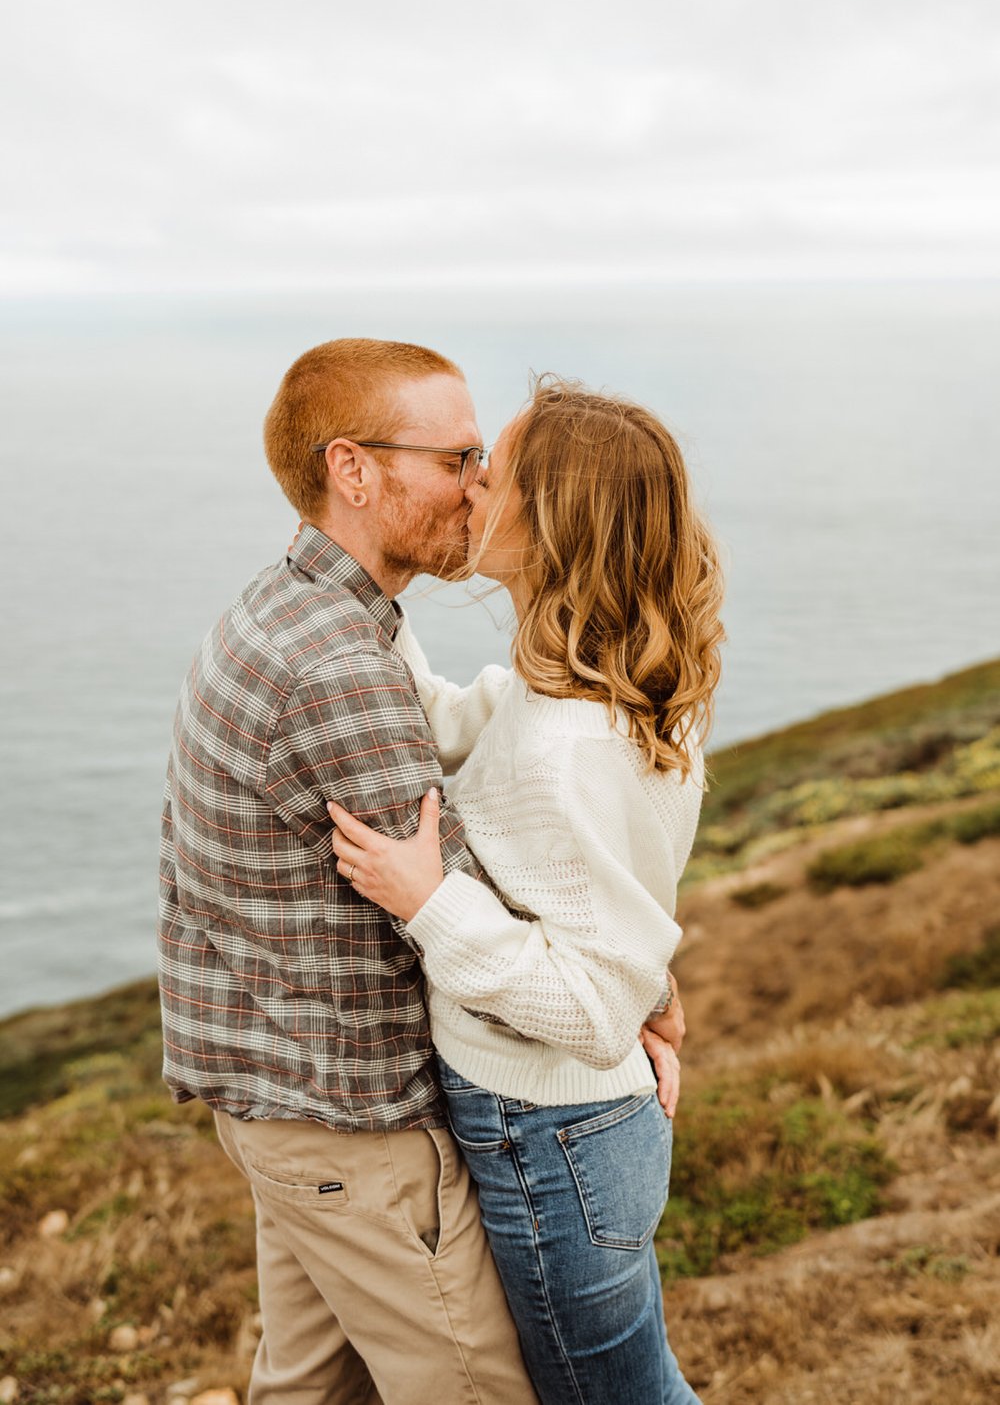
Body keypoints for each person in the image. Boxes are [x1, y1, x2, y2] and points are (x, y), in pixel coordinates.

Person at [157, 337, 542, 1405]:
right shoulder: (334, 668)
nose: (480, 486)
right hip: (350, 1127)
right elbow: (460, 897)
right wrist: (645, 979)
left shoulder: (281, 610)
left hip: (280, 1104)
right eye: (458, 457)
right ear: (354, 469)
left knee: (314, 1392)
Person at [328, 377, 724, 1405]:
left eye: (486, 474)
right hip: (569, 1133)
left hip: (554, 1144)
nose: (464, 489)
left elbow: (591, 1006)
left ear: (545, 524)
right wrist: (368, 581)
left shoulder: (570, 745)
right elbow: (461, 726)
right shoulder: (569, 686)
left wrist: (428, 901)